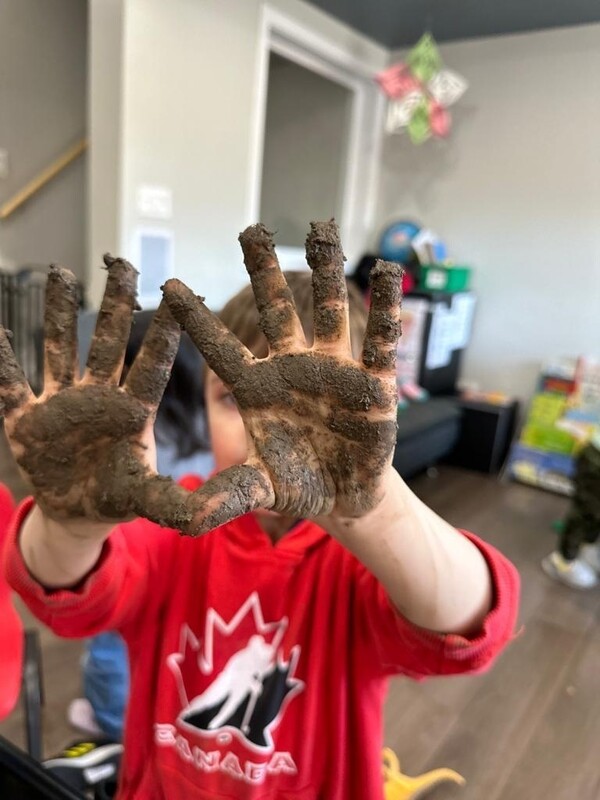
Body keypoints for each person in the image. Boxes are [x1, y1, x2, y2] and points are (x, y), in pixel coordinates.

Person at [1, 222, 519, 799]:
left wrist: (372, 515)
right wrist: (69, 528)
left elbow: (469, 625)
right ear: (200, 407)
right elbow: (68, 599)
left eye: (311, 410)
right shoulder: (177, 519)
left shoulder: (361, 559)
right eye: (232, 398)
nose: (268, 432)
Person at [69, 312, 214, 740]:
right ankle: (160, 715)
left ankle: (114, 723)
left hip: (134, 564)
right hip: (193, 568)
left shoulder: (126, 438)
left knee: (111, 644)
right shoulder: (214, 426)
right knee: (177, 645)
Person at [542, 430, 600, 589]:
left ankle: (586, 549)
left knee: (594, 514)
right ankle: (563, 561)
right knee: (586, 513)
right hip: (597, 459)